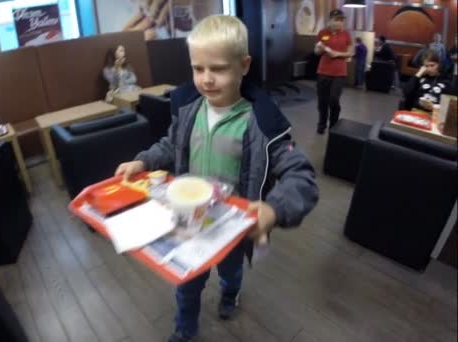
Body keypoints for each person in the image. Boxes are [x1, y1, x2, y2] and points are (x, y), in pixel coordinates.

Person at [114, 15, 318, 342]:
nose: (206, 79)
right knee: (187, 281)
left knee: (230, 270)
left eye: (219, 69)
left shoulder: (263, 123)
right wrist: (143, 161)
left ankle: (230, 291)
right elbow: (171, 144)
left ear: (244, 65)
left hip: (231, 226)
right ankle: (184, 330)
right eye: (198, 68)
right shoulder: (188, 109)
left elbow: (301, 176)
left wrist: (274, 209)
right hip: (189, 218)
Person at [314, 9, 353, 134]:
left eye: (341, 20)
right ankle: (322, 124)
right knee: (322, 101)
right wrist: (321, 49)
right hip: (323, 72)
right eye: (337, 20)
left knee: (334, 99)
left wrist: (337, 54)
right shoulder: (323, 33)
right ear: (330, 20)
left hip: (339, 74)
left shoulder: (346, 35)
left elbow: (350, 53)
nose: (339, 23)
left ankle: (334, 125)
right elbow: (316, 52)